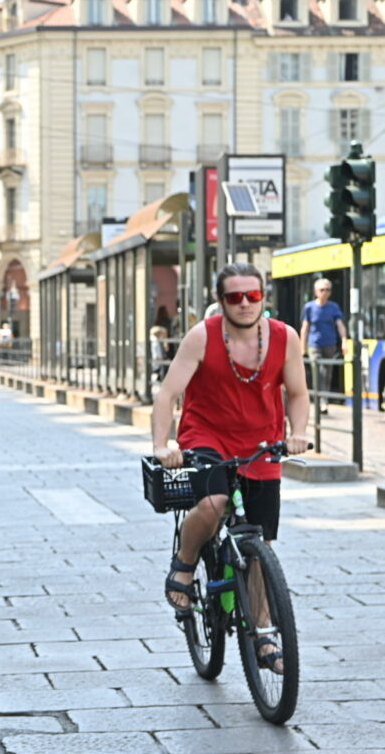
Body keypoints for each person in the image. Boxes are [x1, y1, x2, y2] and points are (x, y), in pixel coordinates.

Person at [152, 262, 308, 674]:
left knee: (260, 548)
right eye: (235, 296)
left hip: (261, 441)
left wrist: (299, 432)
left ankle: (263, 635)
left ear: (263, 297)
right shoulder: (202, 336)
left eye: (252, 296)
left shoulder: (284, 337)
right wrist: (162, 445)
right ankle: (184, 566)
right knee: (214, 501)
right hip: (208, 437)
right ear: (221, 301)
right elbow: (168, 394)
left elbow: (297, 392)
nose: (244, 303)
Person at [299, 277, 348, 413]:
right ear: (316, 291)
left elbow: (340, 325)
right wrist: (302, 347)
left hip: (330, 344)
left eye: (328, 290)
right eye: (322, 290)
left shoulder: (333, 307)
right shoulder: (309, 307)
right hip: (314, 344)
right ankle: (321, 401)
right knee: (318, 372)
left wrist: (344, 341)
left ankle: (323, 399)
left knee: (327, 373)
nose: (325, 292)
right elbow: (305, 328)